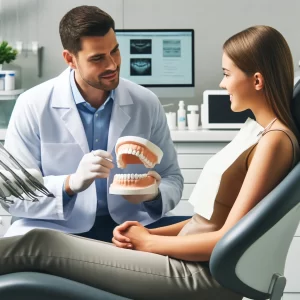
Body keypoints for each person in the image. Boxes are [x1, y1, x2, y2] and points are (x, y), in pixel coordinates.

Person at [0, 24, 298, 300]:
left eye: (227, 73)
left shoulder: (274, 141)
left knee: (40, 246)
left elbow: (229, 239)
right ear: (71, 59)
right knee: (41, 242)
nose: (221, 83)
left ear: (256, 80)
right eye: (98, 57)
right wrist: (146, 233)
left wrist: (149, 242)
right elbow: (205, 223)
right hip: (186, 255)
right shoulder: (257, 132)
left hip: (199, 272)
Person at [2, 5, 186, 240]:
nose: (112, 65)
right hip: (58, 229)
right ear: (70, 59)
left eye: (115, 51)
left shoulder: (145, 102)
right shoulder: (32, 104)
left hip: (132, 226)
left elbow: (172, 177)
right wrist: (70, 184)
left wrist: (152, 195)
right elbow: (15, 194)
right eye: (97, 58)